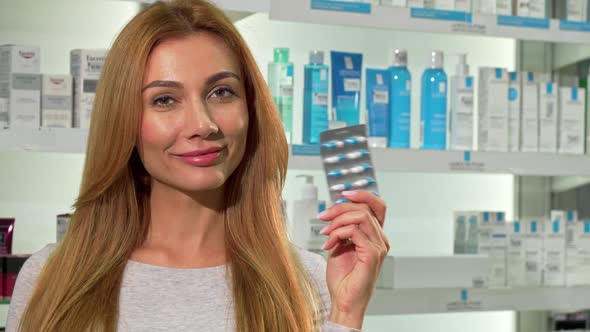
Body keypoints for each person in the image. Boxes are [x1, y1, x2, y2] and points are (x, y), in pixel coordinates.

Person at [6, 0, 390, 331]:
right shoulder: (50, 279)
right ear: (123, 120)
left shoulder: (307, 281)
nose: (203, 125)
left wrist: (346, 312)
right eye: (164, 100)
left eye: (221, 92)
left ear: (250, 108)